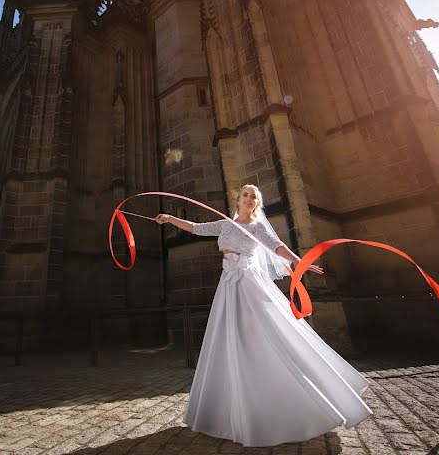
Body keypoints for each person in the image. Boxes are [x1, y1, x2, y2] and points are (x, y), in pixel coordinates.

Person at [154, 184, 372, 447]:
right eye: (245, 194)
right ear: (238, 200)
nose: (248, 199)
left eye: (253, 197)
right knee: (231, 336)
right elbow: (195, 228)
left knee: (267, 330)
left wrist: (299, 262)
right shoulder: (224, 224)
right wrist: (168, 219)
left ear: (256, 204)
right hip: (229, 283)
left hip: (248, 281)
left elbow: (277, 247)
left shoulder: (257, 228)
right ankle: (234, 405)